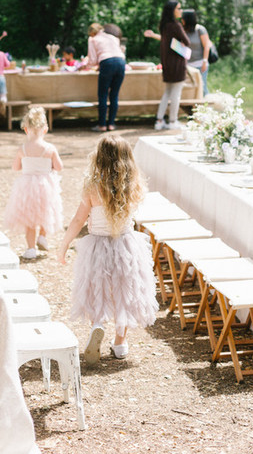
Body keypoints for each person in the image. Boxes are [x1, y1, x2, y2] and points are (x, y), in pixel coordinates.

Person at [57, 134, 158, 364]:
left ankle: (97, 325)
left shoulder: (93, 188)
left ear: (99, 159)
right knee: (124, 291)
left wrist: (63, 246)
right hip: (126, 245)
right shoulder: (133, 186)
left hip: (97, 246)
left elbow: (77, 221)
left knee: (97, 290)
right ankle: (120, 343)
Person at [4, 106, 63, 260]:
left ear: (25, 129)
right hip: (46, 185)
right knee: (46, 212)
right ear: (45, 130)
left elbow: (15, 167)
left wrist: (27, 164)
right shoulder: (50, 148)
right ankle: (42, 236)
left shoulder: (22, 149)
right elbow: (59, 167)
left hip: (27, 186)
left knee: (30, 219)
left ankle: (31, 249)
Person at [144, 0, 190, 131]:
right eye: (179, 8)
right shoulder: (176, 25)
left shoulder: (164, 26)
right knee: (176, 94)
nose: (181, 11)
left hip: (167, 63)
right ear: (172, 10)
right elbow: (187, 42)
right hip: (177, 64)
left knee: (167, 92)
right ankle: (172, 120)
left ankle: (159, 120)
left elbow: (166, 40)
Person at [87, 23, 126, 133]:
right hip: (121, 62)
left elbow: (93, 60)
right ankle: (111, 124)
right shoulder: (113, 37)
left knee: (103, 95)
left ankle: (102, 125)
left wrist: (86, 66)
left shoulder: (93, 39)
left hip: (107, 63)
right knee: (114, 94)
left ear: (92, 32)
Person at [182, 8, 211, 97]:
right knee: (190, 88)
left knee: (202, 87)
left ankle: (206, 107)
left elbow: (207, 45)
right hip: (188, 65)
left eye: (183, 18)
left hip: (200, 63)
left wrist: (205, 61)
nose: (181, 20)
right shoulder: (183, 30)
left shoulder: (200, 30)